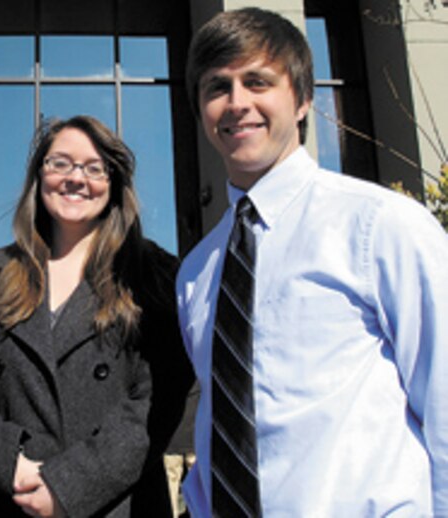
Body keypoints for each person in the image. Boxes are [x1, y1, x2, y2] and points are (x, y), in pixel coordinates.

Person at [177, 7, 448, 517]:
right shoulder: (197, 272)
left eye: (258, 82)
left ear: (302, 100)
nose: (237, 103)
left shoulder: (381, 227)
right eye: (217, 87)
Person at [0, 115, 193, 517]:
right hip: (13, 500)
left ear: (114, 184)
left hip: (119, 504)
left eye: (95, 168)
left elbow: (157, 399)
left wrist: (69, 484)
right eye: (60, 163)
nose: (76, 178)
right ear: (39, 175)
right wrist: (9, 465)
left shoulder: (153, 276)